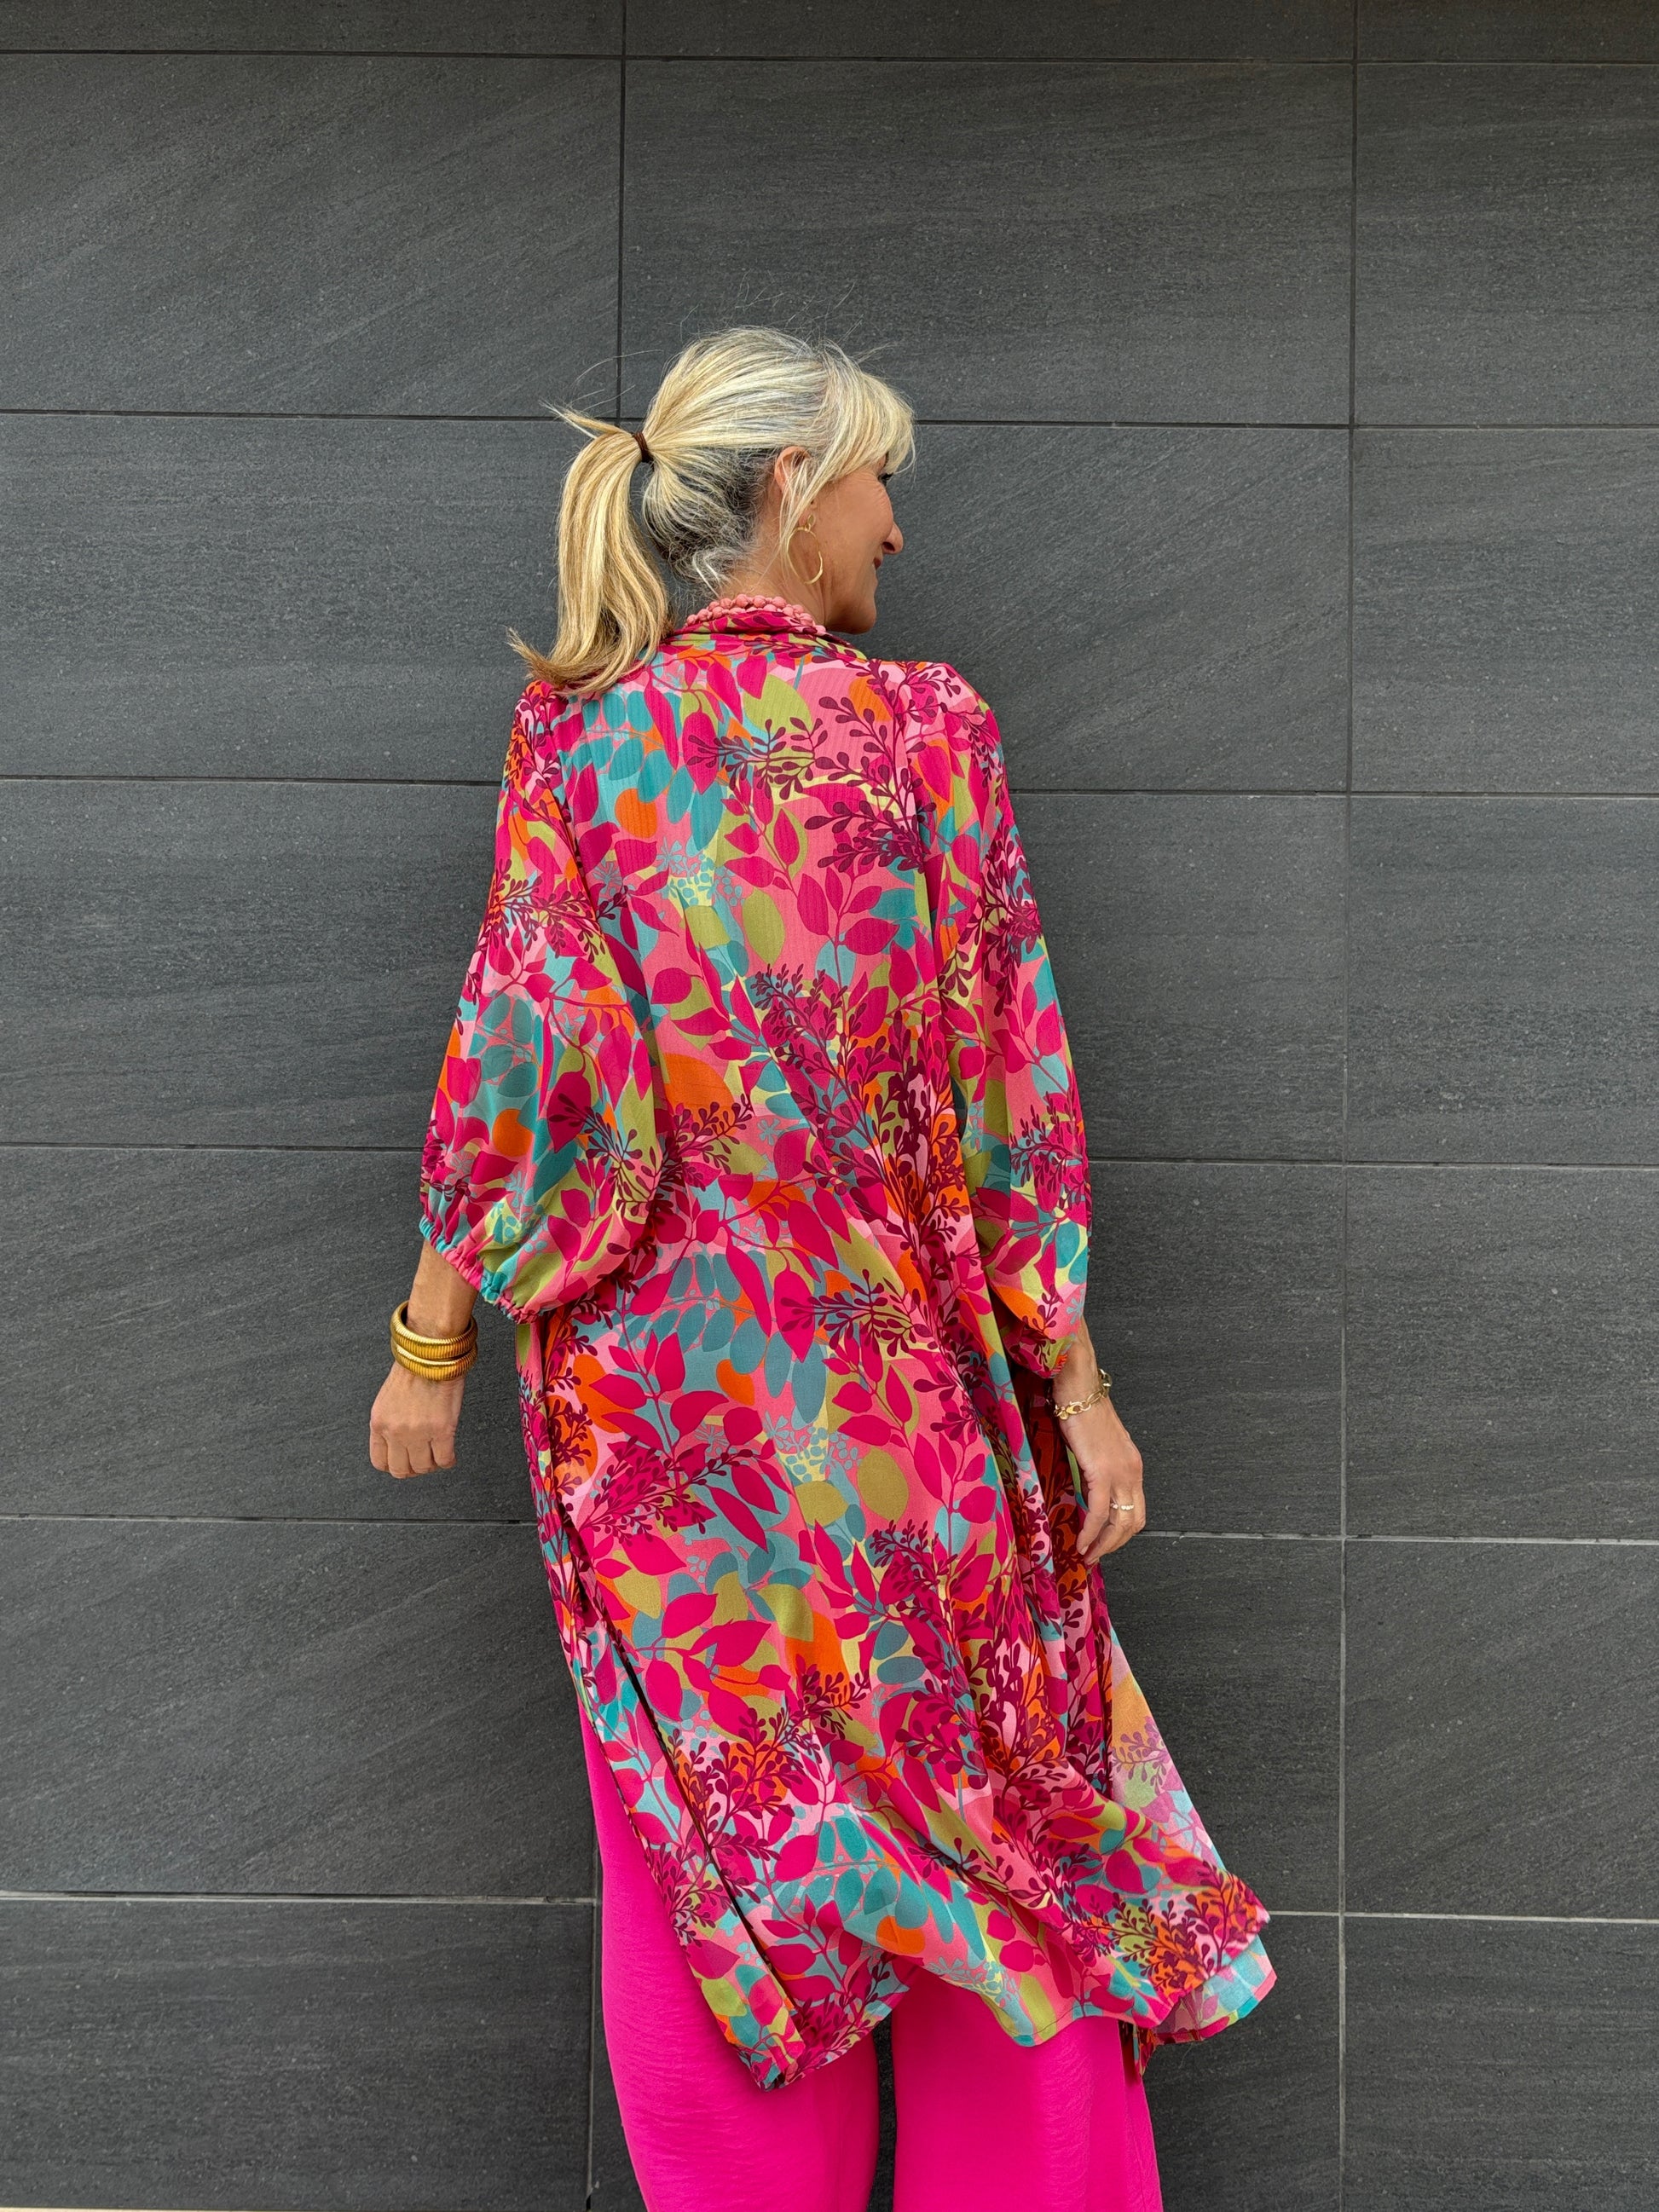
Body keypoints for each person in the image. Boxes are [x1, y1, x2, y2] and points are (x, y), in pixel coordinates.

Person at [369, 326, 1273, 2212]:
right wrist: (1074, 1382)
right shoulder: (927, 727)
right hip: (900, 1416)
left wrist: (429, 1342)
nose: (894, 526)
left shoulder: (582, 742)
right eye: (877, 480)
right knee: (994, 1831)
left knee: (714, 1858)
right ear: (792, 484)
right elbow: (1009, 1086)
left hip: (663, 1436)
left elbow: (520, 1067)